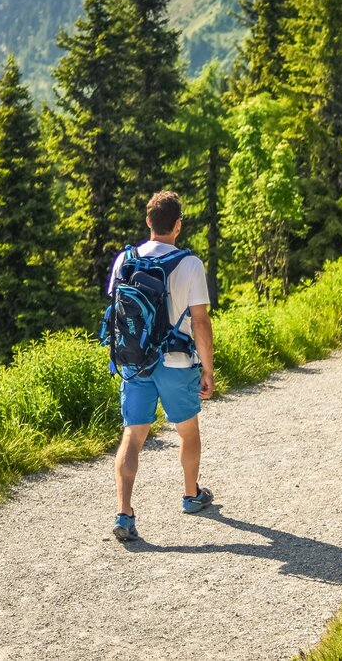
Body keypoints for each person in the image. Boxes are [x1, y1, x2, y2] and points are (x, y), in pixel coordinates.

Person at [109, 191, 215, 542]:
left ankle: (124, 514)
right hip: (176, 362)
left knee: (132, 436)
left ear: (148, 222)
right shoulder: (190, 264)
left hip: (135, 363)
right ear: (178, 225)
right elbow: (200, 321)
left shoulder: (125, 260)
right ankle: (190, 495)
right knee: (187, 431)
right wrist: (208, 369)